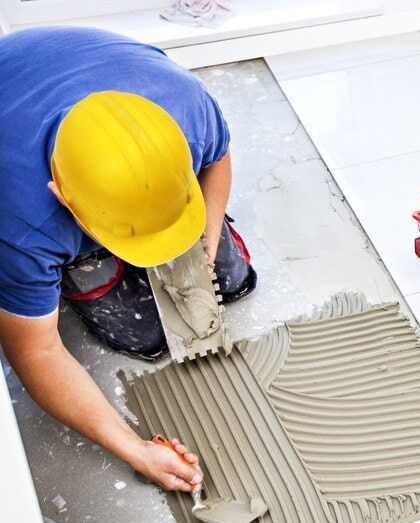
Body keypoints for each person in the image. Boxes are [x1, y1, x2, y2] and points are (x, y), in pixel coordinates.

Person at [0, 27, 257, 491]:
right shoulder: (21, 224)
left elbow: (218, 158)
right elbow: (36, 350)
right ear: (62, 198)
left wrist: (206, 236)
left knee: (230, 276)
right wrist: (135, 450)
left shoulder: (185, 107)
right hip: (14, 120)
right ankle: (85, 262)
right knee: (141, 333)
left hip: (79, 58)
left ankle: (157, 221)